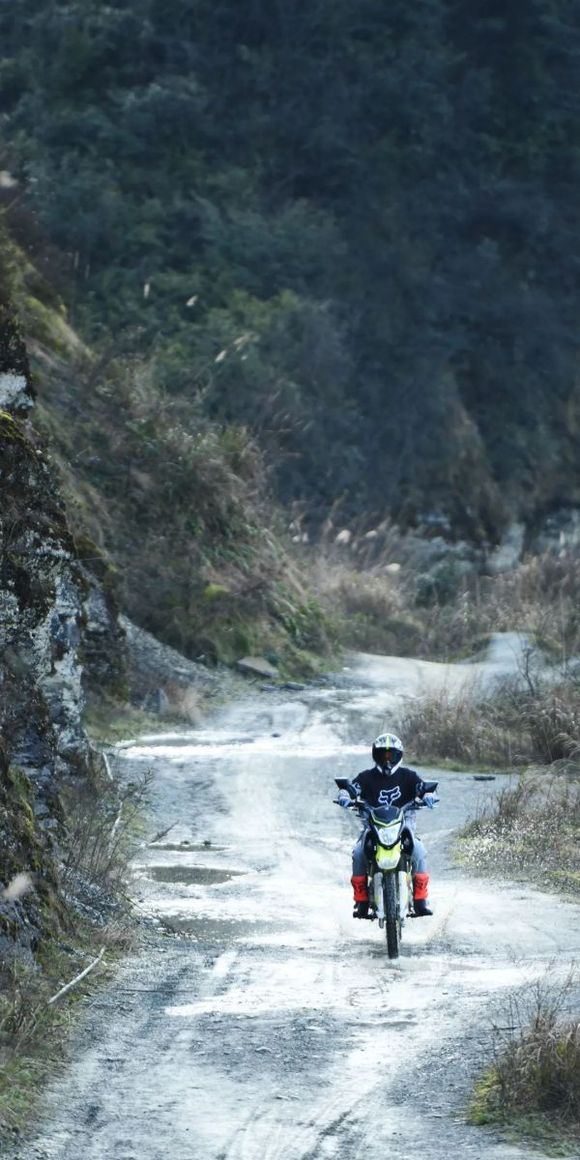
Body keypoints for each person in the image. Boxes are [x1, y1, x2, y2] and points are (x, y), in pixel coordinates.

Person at [337, 731, 437, 919]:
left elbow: (422, 788)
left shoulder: (408, 776)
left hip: (404, 823)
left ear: (399, 755)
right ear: (375, 755)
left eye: (391, 755)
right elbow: (352, 789)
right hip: (373, 825)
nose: (387, 760)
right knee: (358, 853)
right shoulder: (366, 777)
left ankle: (421, 899)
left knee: (418, 850)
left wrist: (429, 795)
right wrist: (345, 795)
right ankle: (361, 900)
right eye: (383, 755)